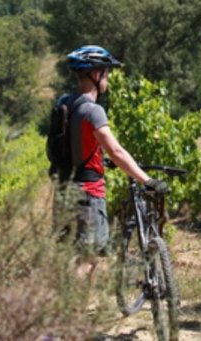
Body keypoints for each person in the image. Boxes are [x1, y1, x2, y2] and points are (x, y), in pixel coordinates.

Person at [52, 45, 169, 277]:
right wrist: (147, 180)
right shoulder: (93, 110)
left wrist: (98, 161)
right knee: (88, 259)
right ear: (95, 75)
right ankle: (67, 311)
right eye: (106, 73)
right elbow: (116, 150)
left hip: (64, 187)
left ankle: (63, 307)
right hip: (87, 194)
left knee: (69, 255)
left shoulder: (65, 103)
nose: (107, 79)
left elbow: (75, 145)